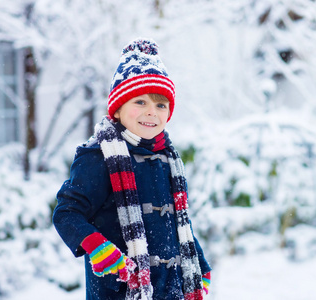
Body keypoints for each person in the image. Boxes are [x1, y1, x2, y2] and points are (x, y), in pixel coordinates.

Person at [53, 38, 211, 300]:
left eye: (160, 105)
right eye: (141, 102)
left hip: (170, 290)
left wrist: (200, 266)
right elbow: (67, 213)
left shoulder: (168, 158)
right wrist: (99, 248)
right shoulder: (100, 156)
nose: (152, 112)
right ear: (118, 109)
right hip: (121, 289)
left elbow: (178, 223)